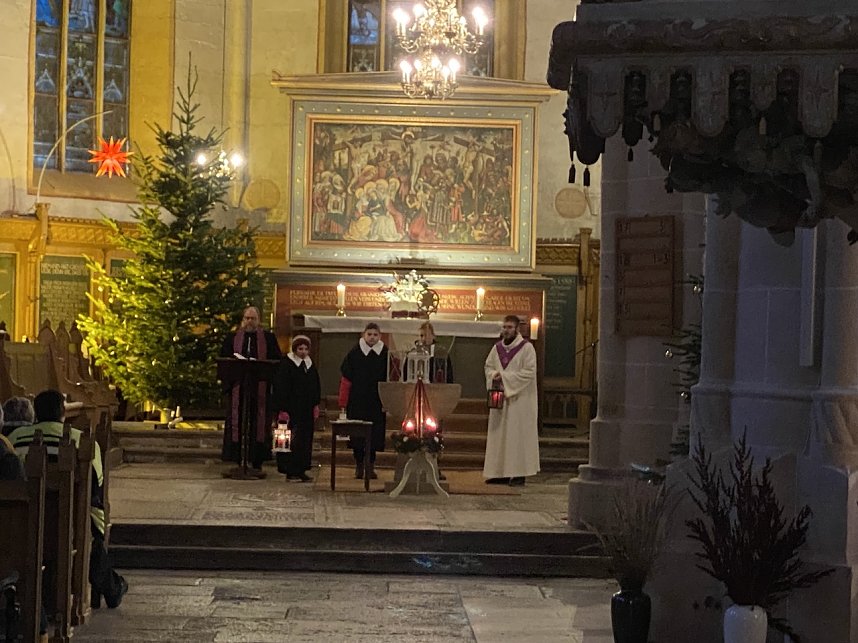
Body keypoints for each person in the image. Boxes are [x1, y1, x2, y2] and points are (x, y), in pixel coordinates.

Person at [7, 389, 128, 608]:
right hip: (71, 525)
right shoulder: (82, 440)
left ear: (36, 412)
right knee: (93, 532)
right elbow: (96, 489)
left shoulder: (14, 440)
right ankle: (109, 584)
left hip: (23, 524)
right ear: (63, 411)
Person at [220, 306, 282, 474]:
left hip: (259, 388)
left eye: (253, 318)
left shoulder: (268, 338)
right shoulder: (232, 338)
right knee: (237, 423)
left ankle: (257, 460)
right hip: (238, 388)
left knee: (258, 424)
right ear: (243, 319)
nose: (249, 321)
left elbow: (276, 361)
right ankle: (237, 458)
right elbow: (224, 361)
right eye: (247, 318)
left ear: (258, 320)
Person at [483, 315, 540, 486]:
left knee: (517, 437)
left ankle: (519, 474)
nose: (506, 330)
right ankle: (500, 473)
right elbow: (488, 367)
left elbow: (529, 372)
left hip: (520, 400)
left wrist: (506, 378)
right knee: (499, 436)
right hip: (501, 398)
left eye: (509, 327)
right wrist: (494, 375)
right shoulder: (497, 348)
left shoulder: (527, 348)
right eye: (504, 327)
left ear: (517, 329)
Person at [338, 322, 388, 479]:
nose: (372, 337)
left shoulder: (385, 353)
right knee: (358, 434)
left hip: (376, 400)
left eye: (375, 335)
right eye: (369, 334)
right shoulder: (355, 353)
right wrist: (343, 402)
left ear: (380, 336)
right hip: (357, 400)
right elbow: (346, 378)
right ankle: (359, 465)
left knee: (374, 434)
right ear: (363, 335)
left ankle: (370, 465)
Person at [274, 335, 321, 482]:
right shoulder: (286, 364)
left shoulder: (309, 365)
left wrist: (315, 404)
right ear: (295, 349)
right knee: (289, 441)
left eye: (306, 349)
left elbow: (315, 386)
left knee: (304, 440)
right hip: (290, 409)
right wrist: (281, 408)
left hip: (306, 409)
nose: (303, 352)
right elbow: (280, 387)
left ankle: (301, 469)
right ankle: (289, 470)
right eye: (300, 348)